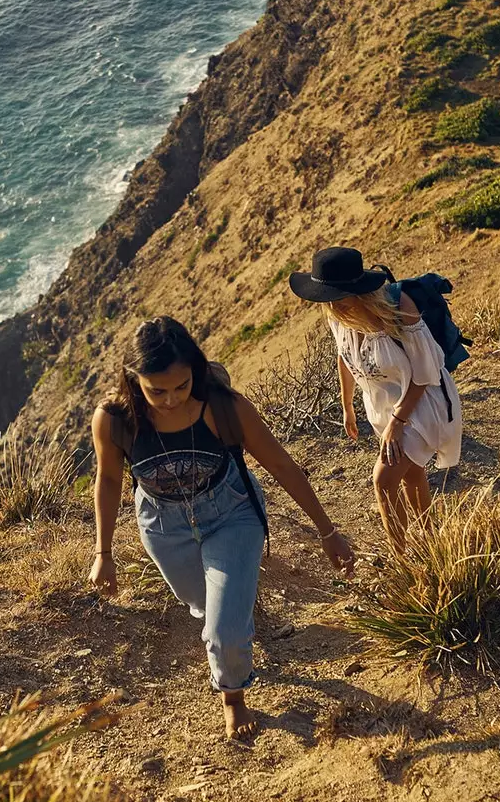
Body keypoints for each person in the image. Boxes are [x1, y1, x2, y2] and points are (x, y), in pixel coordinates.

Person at [88, 316, 355, 739]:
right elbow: (108, 480)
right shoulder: (114, 419)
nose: (171, 399)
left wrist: (327, 531)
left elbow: (283, 465)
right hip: (163, 526)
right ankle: (234, 609)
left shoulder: (224, 407)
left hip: (231, 512)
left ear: (195, 371)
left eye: (181, 386)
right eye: (157, 390)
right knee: (202, 603)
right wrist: (104, 554)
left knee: (222, 631)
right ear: (133, 378)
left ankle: (233, 696)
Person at [288, 247, 462, 552]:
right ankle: (430, 541)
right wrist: (347, 406)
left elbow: (426, 372)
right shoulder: (338, 314)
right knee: (411, 473)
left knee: (383, 480)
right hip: (383, 406)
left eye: (339, 299)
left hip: (422, 404)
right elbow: (345, 357)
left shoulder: (400, 310)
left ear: (360, 293)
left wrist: (398, 422)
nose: (333, 307)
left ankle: (402, 558)